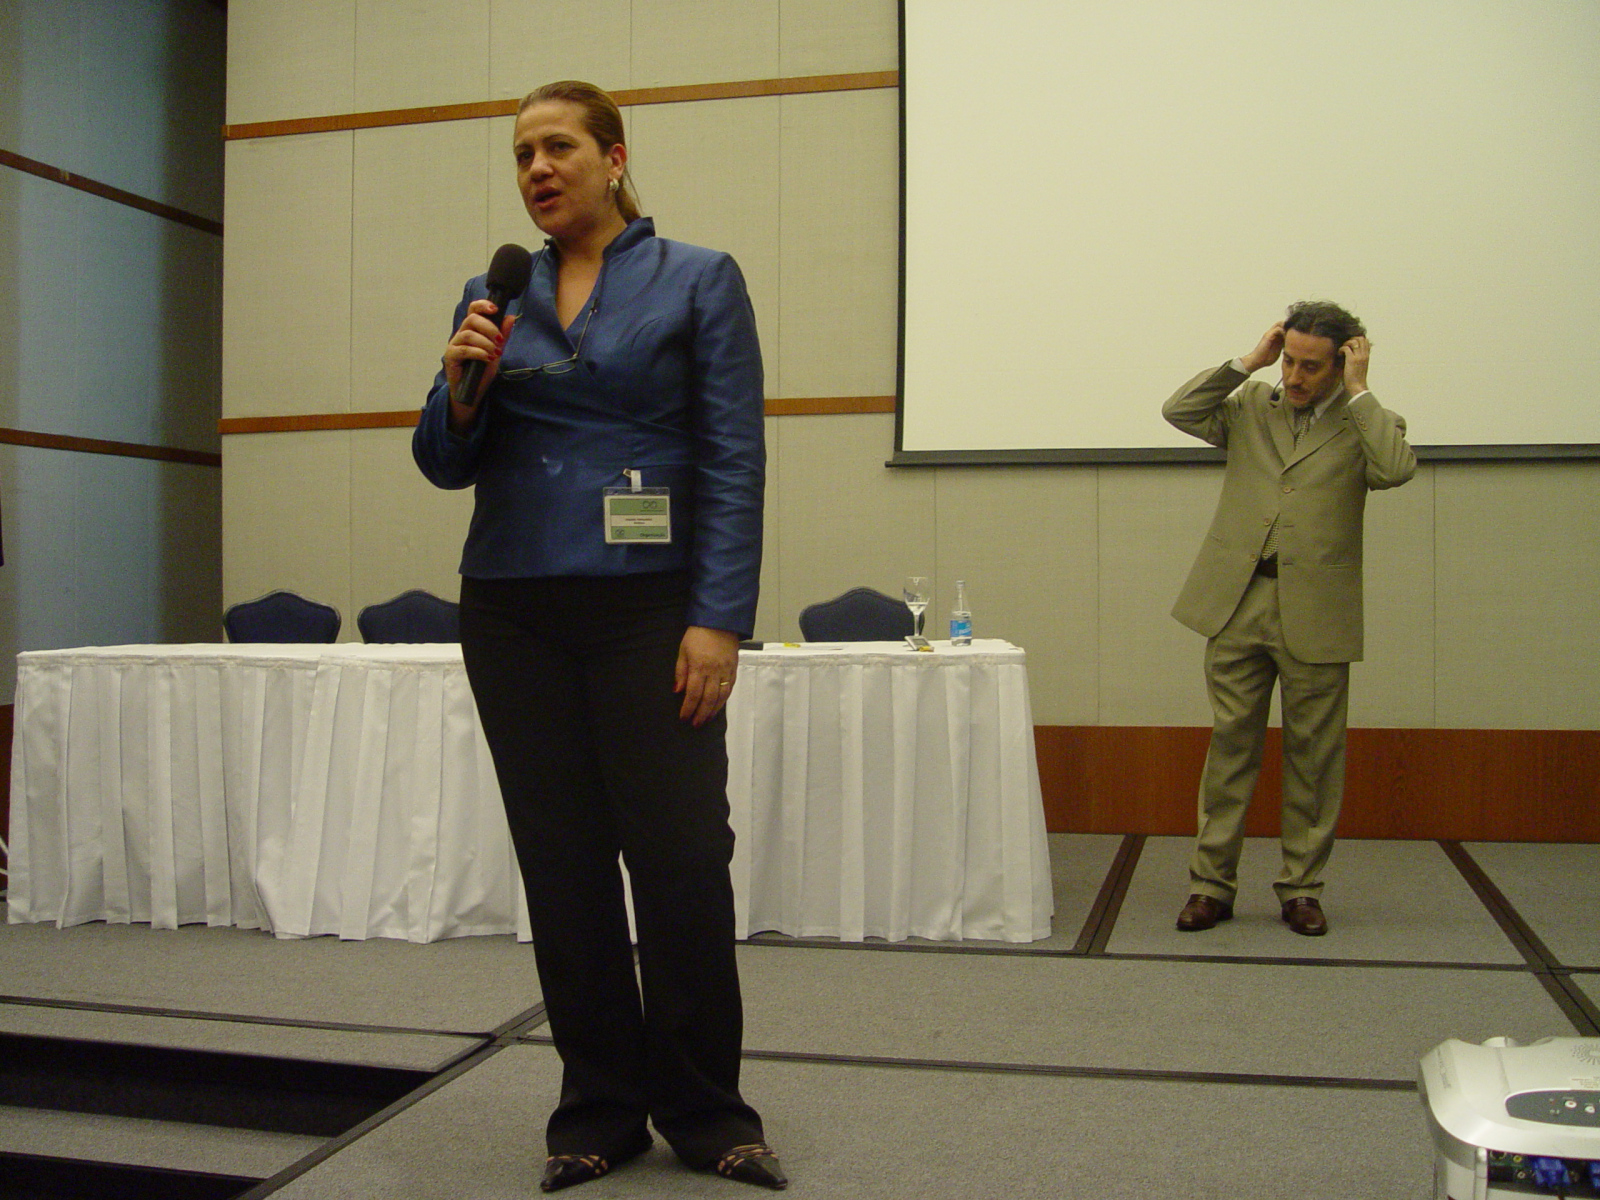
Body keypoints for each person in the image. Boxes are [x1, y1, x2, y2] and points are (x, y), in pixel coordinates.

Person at [412, 81, 784, 1192]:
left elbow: (733, 458)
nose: (538, 167)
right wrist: (460, 389)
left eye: (559, 146)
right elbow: (442, 462)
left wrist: (718, 618)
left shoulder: (698, 279)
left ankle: (707, 1111)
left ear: (613, 158)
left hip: (649, 610)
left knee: (680, 859)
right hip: (513, 608)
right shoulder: (495, 294)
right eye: (523, 153)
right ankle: (598, 1108)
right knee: (562, 866)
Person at [1163, 301, 1416, 937]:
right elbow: (1180, 410)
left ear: (1342, 362)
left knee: (1314, 759)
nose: (1295, 377)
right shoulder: (1251, 404)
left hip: (1318, 611)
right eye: (1290, 362)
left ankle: (1301, 888)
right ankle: (1210, 886)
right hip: (1238, 602)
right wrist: (1250, 360)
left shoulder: (1367, 421)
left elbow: (1395, 469)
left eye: (1311, 367)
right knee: (1230, 749)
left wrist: (1360, 388)